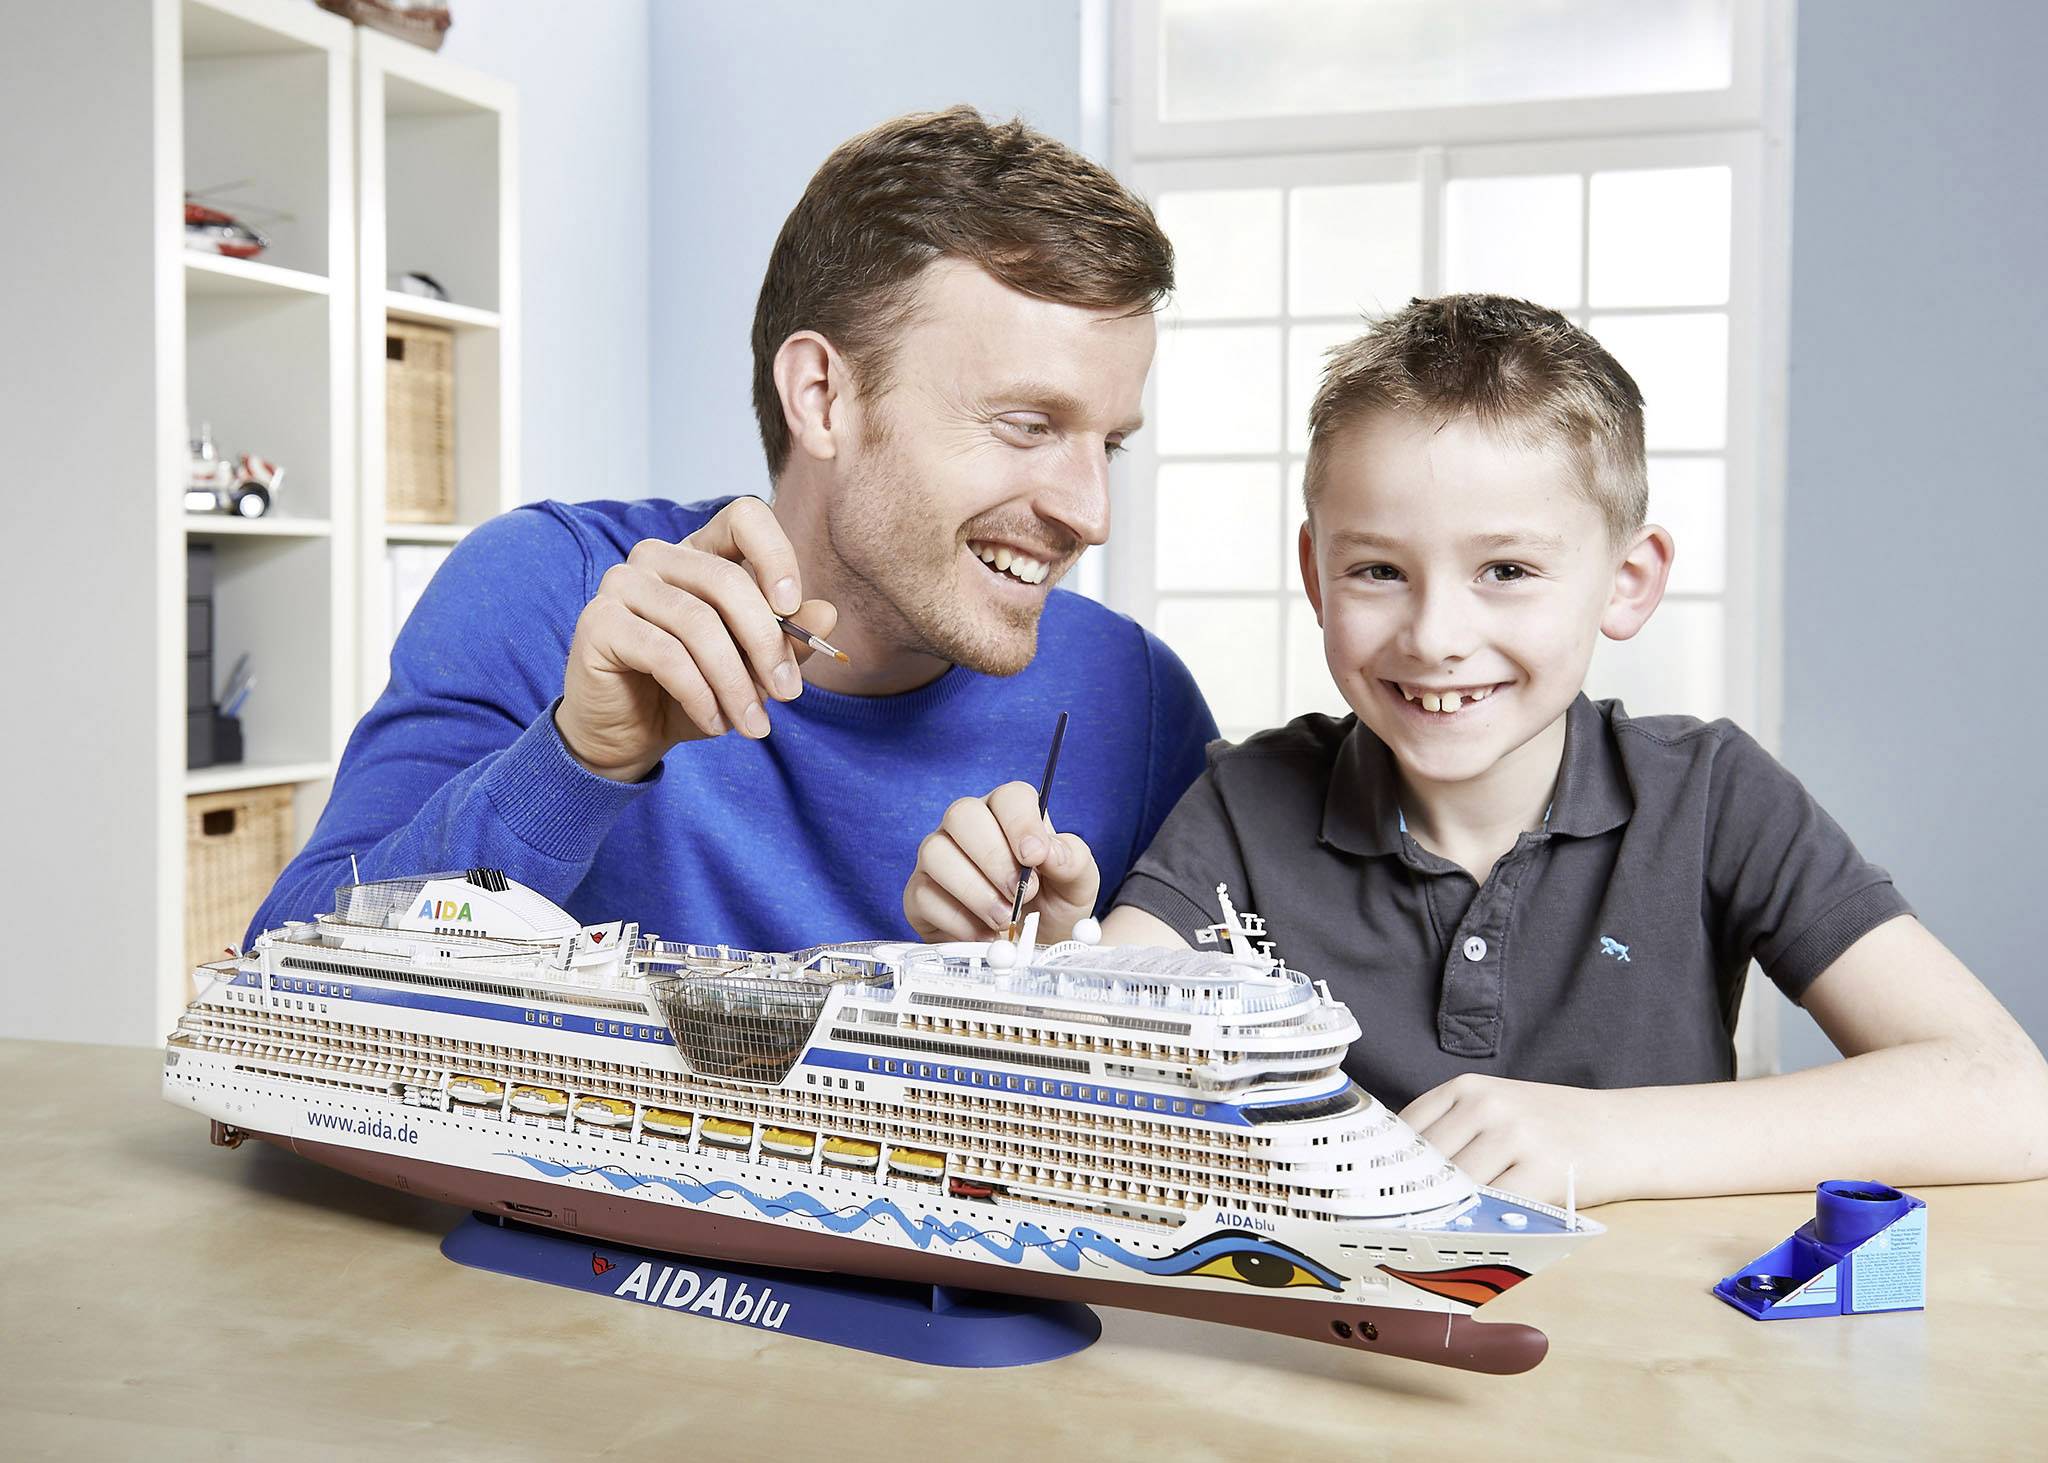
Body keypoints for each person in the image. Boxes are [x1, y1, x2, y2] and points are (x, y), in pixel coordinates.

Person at [904, 293, 2048, 1206]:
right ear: (1314, 575)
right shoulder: (1245, 806)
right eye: (1377, 570)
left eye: (1504, 569)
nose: (1436, 635)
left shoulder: (1709, 796)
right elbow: (1109, 1069)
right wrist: (1056, 966)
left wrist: (1602, 1138)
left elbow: (2006, 1094)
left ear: (1627, 580)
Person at [249, 107, 1215, 949]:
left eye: (1110, 445)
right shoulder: (545, 590)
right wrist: (577, 762)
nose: (1090, 514)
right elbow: (276, 986)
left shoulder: (1140, 701)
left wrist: (1065, 985)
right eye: (1027, 425)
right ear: (823, 395)